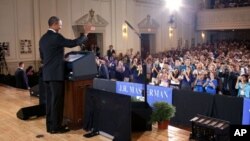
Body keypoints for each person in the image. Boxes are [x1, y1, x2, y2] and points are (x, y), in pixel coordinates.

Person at [39, 16, 91, 134]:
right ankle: (56, 127)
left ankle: (50, 126)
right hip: (56, 74)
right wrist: (85, 34)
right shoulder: (56, 37)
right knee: (57, 101)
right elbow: (72, 43)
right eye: (60, 24)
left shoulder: (43, 38)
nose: (61, 27)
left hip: (47, 74)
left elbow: (42, 57)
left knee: (50, 102)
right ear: (54, 24)